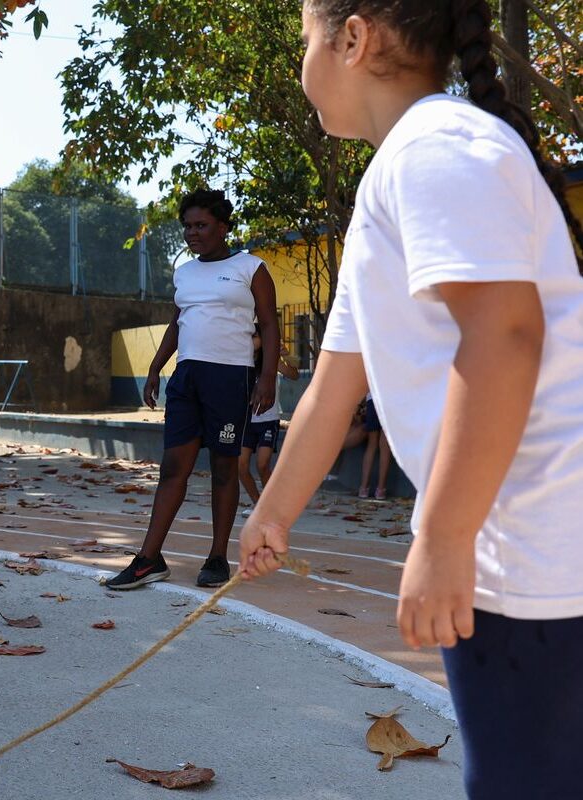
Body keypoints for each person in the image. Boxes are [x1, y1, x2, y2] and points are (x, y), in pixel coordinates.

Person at [239, 3, 583, 798]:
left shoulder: (436, 149)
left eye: (302, 42)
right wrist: (275, 514)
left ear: (352, 39)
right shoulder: (397, 177)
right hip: (520, 552)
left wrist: (442, 536)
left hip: (538, 555)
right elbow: (335, 382)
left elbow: (504, 337)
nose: (300, 66)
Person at [106, 189, 279, 589]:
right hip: (187, 378)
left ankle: (217, 557)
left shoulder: (252, 268)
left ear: (223, 227)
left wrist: (266, 377)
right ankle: (149, 558)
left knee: (224, 468)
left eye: (201, 225)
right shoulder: (184, 272)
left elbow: (269, 324)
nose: (192, 233)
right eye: (187, 226)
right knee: (173, 467)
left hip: (230, 379)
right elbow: (178, 320)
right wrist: (155, 366)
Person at [238, 326, 299, 516]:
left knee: (263, 464)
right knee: (241, 465)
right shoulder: (242, 360)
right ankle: (259, 505)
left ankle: (272, 503)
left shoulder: (270, 362)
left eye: (255, 336)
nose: (251, 340)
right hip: (247, 420)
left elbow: (294, 375)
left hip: (268, 419)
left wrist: (287, 357)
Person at [357, 392, 390, 499]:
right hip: (390, 400)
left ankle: (363, 488)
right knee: (385, 448)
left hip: (373, 399)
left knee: (371, 445)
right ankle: (381, 489)